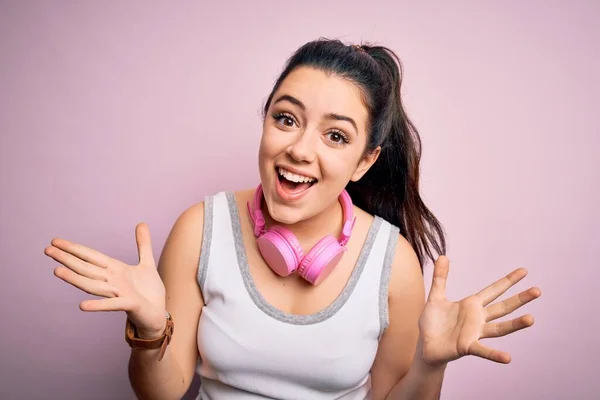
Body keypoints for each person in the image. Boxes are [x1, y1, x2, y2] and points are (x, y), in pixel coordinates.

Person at [44, 38, 541, 400]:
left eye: (336, 136)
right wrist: (150, 328)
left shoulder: (395, 263)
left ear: (365, 162)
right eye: (286, 118)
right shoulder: (201, 228)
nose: (299, 149)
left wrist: (431, 364)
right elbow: (163, 392)